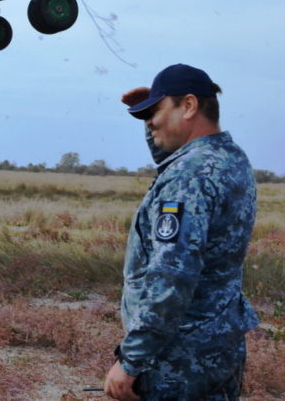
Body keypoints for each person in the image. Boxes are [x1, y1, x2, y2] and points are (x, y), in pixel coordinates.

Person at [104, 64, 258, 401]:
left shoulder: (187, 177)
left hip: (178, 358)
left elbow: (172, 275)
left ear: (188, 106)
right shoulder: (230, 159)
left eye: (156, 111)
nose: (151, 121)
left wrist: (131, 360)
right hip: (218, 346)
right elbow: (172, 156)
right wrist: (151, 115)